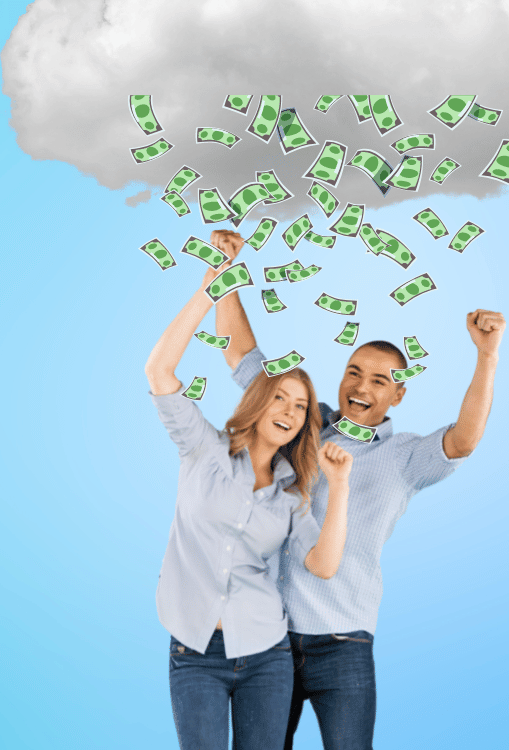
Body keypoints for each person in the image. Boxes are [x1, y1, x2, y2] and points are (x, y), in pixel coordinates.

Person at [210, 229, 506, 750]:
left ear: (398, 393)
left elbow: (464, 440)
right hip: (269, 639)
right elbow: (245, 360)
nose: (361, 387)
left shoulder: (405, 456)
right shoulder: (304, 425)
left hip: (344, 643)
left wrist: (486, 356)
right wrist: (223, 270)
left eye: (378, 379)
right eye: (353, 372)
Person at [144, 258, 354, 750]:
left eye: (301, 407)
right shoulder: (202, 447)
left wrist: (339, 486)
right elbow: (158, 369)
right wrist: (210, 290)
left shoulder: (291, 494)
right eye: (281, 397)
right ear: (260, 399)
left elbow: (322, 566)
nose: (289, 411)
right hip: (194, 652)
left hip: (266, 655)